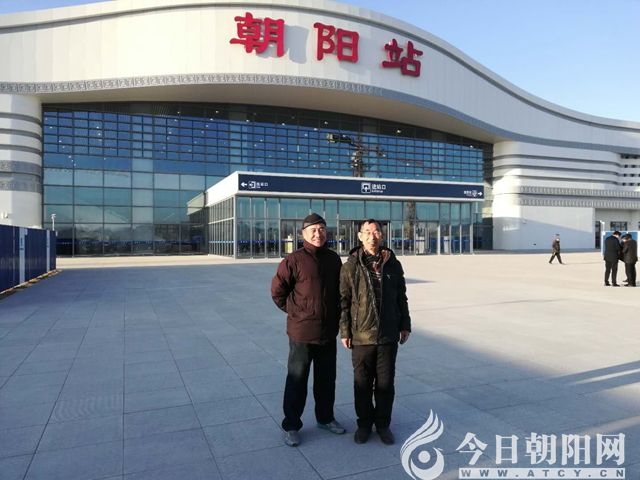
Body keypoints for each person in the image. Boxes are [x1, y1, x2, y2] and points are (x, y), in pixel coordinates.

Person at [271, 213, 345, 447]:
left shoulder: (333, 259)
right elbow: (277, 292)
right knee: (297, 380)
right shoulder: (293, 260)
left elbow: (341, 293)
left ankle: (325, 418)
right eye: (313, 230)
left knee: (327, 379)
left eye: (321, 229)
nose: (318, 234)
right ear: (303, 234)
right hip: (302, 333)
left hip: (327, 332)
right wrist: (297, 312)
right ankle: (291, 425)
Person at [339, 219, 411, 446]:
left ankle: (382, 424)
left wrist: (405, 324)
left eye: (376, 232)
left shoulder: (393, 263)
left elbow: (401, 297)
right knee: (362, 384)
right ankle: (364, 424)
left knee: (385, 384)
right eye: (367, 232)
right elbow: (344, 301)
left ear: (382, 235)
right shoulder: (350, 266)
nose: (372, 236)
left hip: (388, 335)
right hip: (361, 335)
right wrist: (345, 331)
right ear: (360, 236)